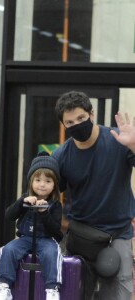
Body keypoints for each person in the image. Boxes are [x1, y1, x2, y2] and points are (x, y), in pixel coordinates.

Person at [52, 90, 135, 300]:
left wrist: (134, 146)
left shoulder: (119, 140)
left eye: (81, 118)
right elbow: (47, 194)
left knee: (118, 294)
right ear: (63, 125)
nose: (77, 124)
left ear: (92, 113)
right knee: (75, 292)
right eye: (70, 122)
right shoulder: (61, 156)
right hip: (81, 237)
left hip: (117, 234)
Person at [0, 152, 63, 300]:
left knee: (52, 253)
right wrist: (21, 203)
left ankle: (52, 289)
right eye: (38, 180)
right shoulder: (25, 199)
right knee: (9, 249)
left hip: (46, 240)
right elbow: (9, 216)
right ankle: (4, 286)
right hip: (25, 239)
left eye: (48, 181)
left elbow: (57, 232)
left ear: (54, 185)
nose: (42, 184)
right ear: (31, 181)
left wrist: (44, 213)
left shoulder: (56, 205)